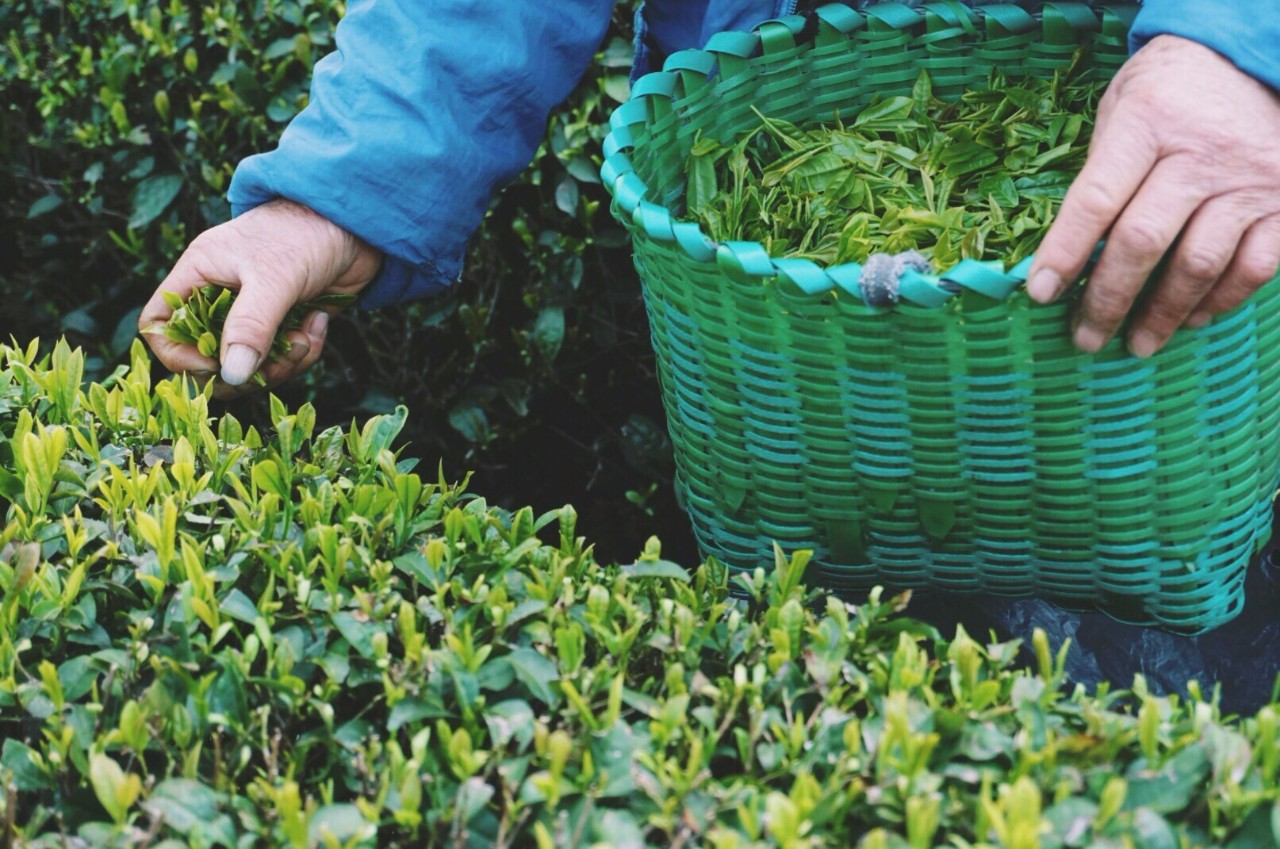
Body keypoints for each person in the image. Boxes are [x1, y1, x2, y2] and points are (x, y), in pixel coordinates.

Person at [139, 0, 1280, 711]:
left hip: (1187, 224)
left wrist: (1242, 47)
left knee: (1180, 693)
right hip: (786, 349)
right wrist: (335, 195)